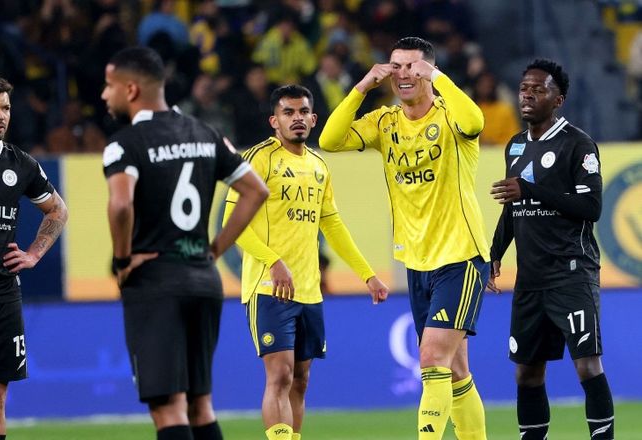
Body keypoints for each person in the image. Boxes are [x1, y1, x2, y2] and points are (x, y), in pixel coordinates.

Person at [319, 37, 491, 440]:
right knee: (456, 370)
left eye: (413, 66)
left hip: (460, 256)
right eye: (396, 66)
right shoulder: (385, 122)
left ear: (428, 70)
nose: (403, 74)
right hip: (417, 261)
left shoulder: (450, 116)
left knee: (430, 357)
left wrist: (440, 78)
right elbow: (329, 141)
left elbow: (475, 123)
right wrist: (362, 87)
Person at [101, 46, 268, 440]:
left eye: (108, 85)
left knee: (168, 408)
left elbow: (121, 204)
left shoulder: (125, 143)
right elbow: (256, 191)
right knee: (200, 404)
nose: (104, 95)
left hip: (156, 281)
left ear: (131, 89)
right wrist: (215, 250)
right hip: (203, 280)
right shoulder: (206, 134)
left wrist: (122, 260)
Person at [223, 84, 388, 440]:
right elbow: (233, 225)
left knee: (300, 379)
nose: (296, 118)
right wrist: (273, 262)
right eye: (288, 112)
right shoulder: (257, 160)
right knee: (280, 375)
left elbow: (333, 225)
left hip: (309, 291)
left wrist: (367, 275)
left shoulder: (318, 165)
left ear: (313, 119)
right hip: (269, 288)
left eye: (302, 112)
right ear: (274, 121)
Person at [488, 59, 614, 440]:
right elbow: (514, 207)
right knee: (527, 373)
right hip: (531, 279)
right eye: (523, 88)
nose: (527, 95)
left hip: (571, 273)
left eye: (538, 89)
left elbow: (591, 207)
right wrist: (495, 252)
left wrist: (529, 189)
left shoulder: (578, 144)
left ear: (557, 100)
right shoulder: (515, 146)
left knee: (587, 367)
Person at [0, 74, 68, 438]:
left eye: (5, 108)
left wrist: (34, 253)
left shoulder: (21, 164)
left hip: (0, 297)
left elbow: (57, 210)